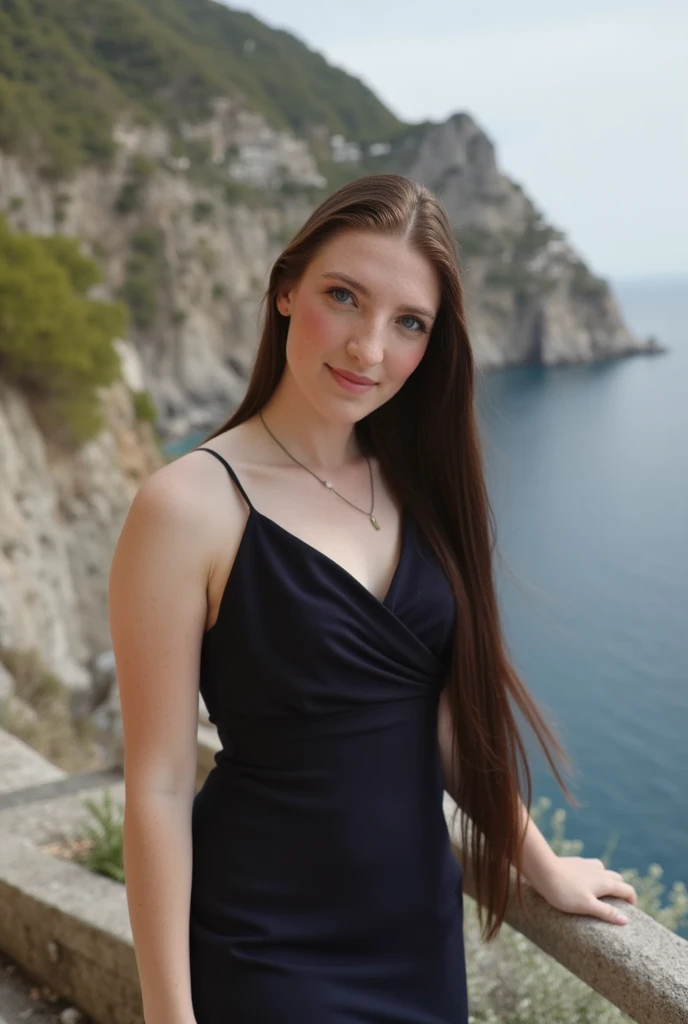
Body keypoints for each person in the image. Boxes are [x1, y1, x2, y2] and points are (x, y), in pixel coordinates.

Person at [109, 173, 638, 1024]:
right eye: (343, 297)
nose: (367, 348)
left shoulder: (419, 488)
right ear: (286, 289)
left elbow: (443, 718)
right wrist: (170, 1018)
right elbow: (160, 785)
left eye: (408, 324)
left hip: (417, 939)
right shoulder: (187, 507)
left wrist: (537, 864)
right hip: (261, 941)